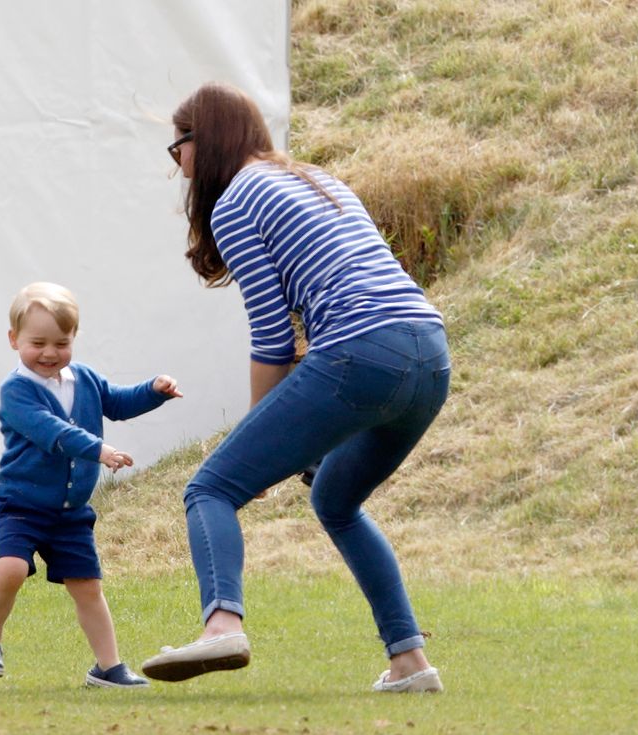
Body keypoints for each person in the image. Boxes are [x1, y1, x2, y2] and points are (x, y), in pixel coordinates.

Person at [141, 83, 450, 693]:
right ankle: (411, 664)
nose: (176, 164)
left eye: (175, 146)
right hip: (428, 352)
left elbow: (273, 337)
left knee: (210, 488)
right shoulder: (319, 179)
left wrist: (261, 439)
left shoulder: (235, 200)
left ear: (200, 141)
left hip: (361, 347)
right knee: (335, 500)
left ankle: (222, 625)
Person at [0, 281, 183, 688]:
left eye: (61, 342)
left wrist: (154, 391)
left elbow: (118, 402)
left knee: (88, 586)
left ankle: (108, 667)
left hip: (70, 514)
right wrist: (99, 450)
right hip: (21, 505)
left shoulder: (83, 378)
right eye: (38, 343)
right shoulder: (15, 390)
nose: (50, 353)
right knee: (11, 568)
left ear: (73, 339)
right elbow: (52, 431)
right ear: (14, 340)